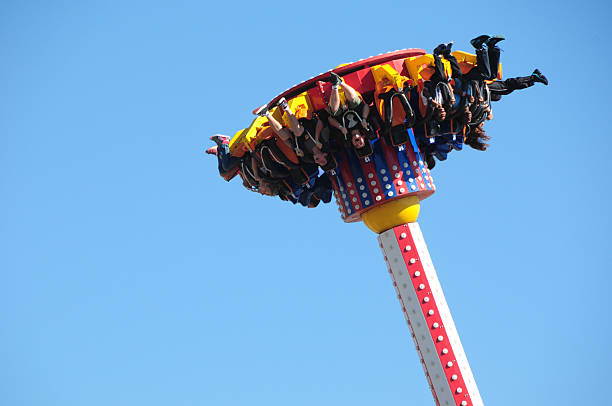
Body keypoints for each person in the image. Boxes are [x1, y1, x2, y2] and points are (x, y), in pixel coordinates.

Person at [326, 72, 374, 156]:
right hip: (353, 102)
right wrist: (364, 118)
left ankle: (335, 85)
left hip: (338, 107)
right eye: (361, 143)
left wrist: (340, 127)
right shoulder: (366, 127)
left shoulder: (344, 135)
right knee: (353, 100)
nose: (357, 143)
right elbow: (366, 106)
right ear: (363, 138)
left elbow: (330, 119)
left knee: (334, 110)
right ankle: (340, 82)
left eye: (356, 146)